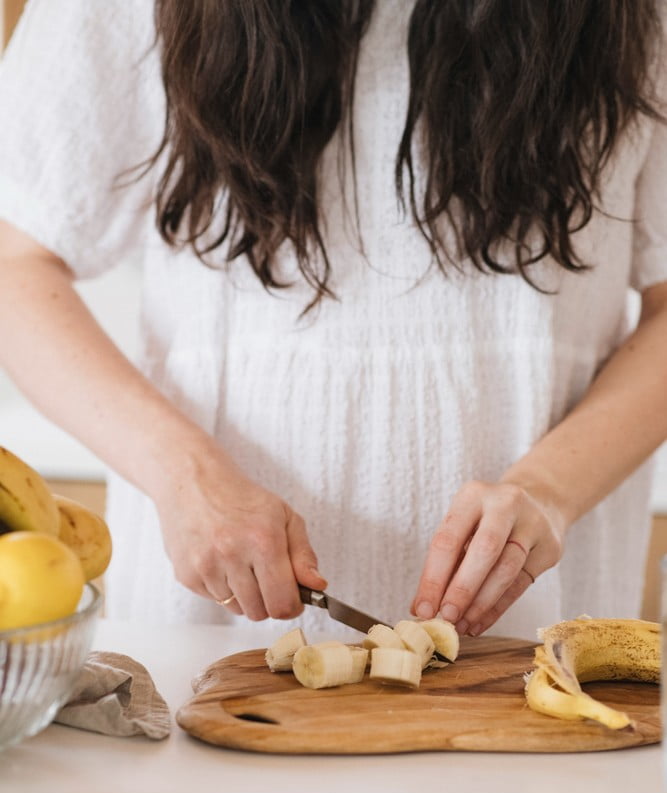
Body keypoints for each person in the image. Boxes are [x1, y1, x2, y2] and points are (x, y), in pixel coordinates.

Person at [0, 0, 665, 643]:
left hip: (541, 624)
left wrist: (548, 490)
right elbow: (15, 264)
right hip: (204, 628)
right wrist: (185, 476)